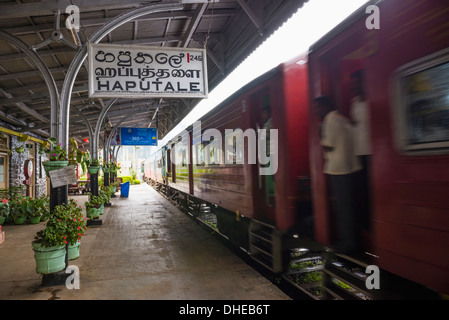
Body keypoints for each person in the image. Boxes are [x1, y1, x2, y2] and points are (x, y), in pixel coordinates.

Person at [313, 95, 362, 254]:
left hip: (337, 169)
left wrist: (321, 134)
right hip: (350, 167)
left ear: (325, 106)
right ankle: (353, 240)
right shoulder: (343, 119)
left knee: (342, 208)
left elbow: (329, 146)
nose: (316, 110)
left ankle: (347, 243)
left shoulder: (330, 121)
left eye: (317, 107)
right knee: (349, 205)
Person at [350, 70, 371, 231]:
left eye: (357, 83)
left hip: (373, 151)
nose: (355, 86)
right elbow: (354, 124)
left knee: (372, 187)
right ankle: (365, 221)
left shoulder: (371, 98)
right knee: (362, 187)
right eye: (353, 83)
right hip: (359, 151)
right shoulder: (354, 102)